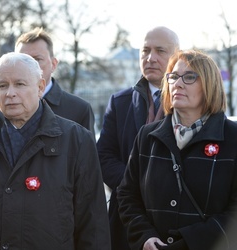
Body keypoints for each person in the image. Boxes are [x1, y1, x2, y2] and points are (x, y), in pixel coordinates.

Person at [0, 52, 111, 249]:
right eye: (2, 86)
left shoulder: (76, 140)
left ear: (40, 87)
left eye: (20, 84)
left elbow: (94, 226)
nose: (10, 93)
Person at [117, 49, 237, 250]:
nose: (178, 83)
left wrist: (189, 243)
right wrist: (144, 236)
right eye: (173, 77)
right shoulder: (147, 136)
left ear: (210, 84)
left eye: (189, 77)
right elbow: (127, 195)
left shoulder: (233, 138)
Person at [95, 26, 179, 250]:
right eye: (145, 51)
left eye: (160, 51)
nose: (150, 58)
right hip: (126, 218)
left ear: (176, 56)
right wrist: (137, 185)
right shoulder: (119, 102)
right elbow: (104, 156)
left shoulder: (190, 102)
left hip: (176, 218)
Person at [15, 27, 96, 137]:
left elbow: (88, 153)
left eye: (37, 59)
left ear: (53, 64)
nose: (30, 66)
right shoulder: (4, 107)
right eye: (23, 60)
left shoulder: (79, 109)